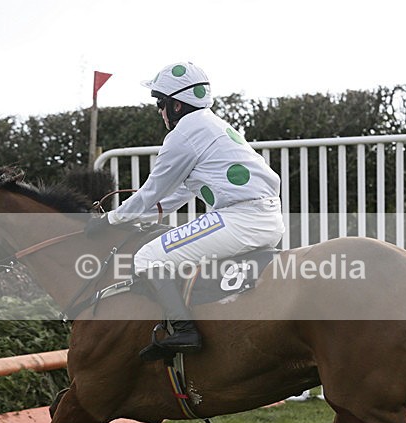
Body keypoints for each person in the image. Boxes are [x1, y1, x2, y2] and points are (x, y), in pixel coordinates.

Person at [104, 61, 284, 359]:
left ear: (176, 106)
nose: (159, 112)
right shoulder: (210, 124)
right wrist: (142, 219)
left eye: (160, 104)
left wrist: (111, 220)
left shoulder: (183, 134)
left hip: (241, 220)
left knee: (148, 257)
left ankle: (185, 330)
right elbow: (180, 192)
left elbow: (152, 190)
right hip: (264, 218)